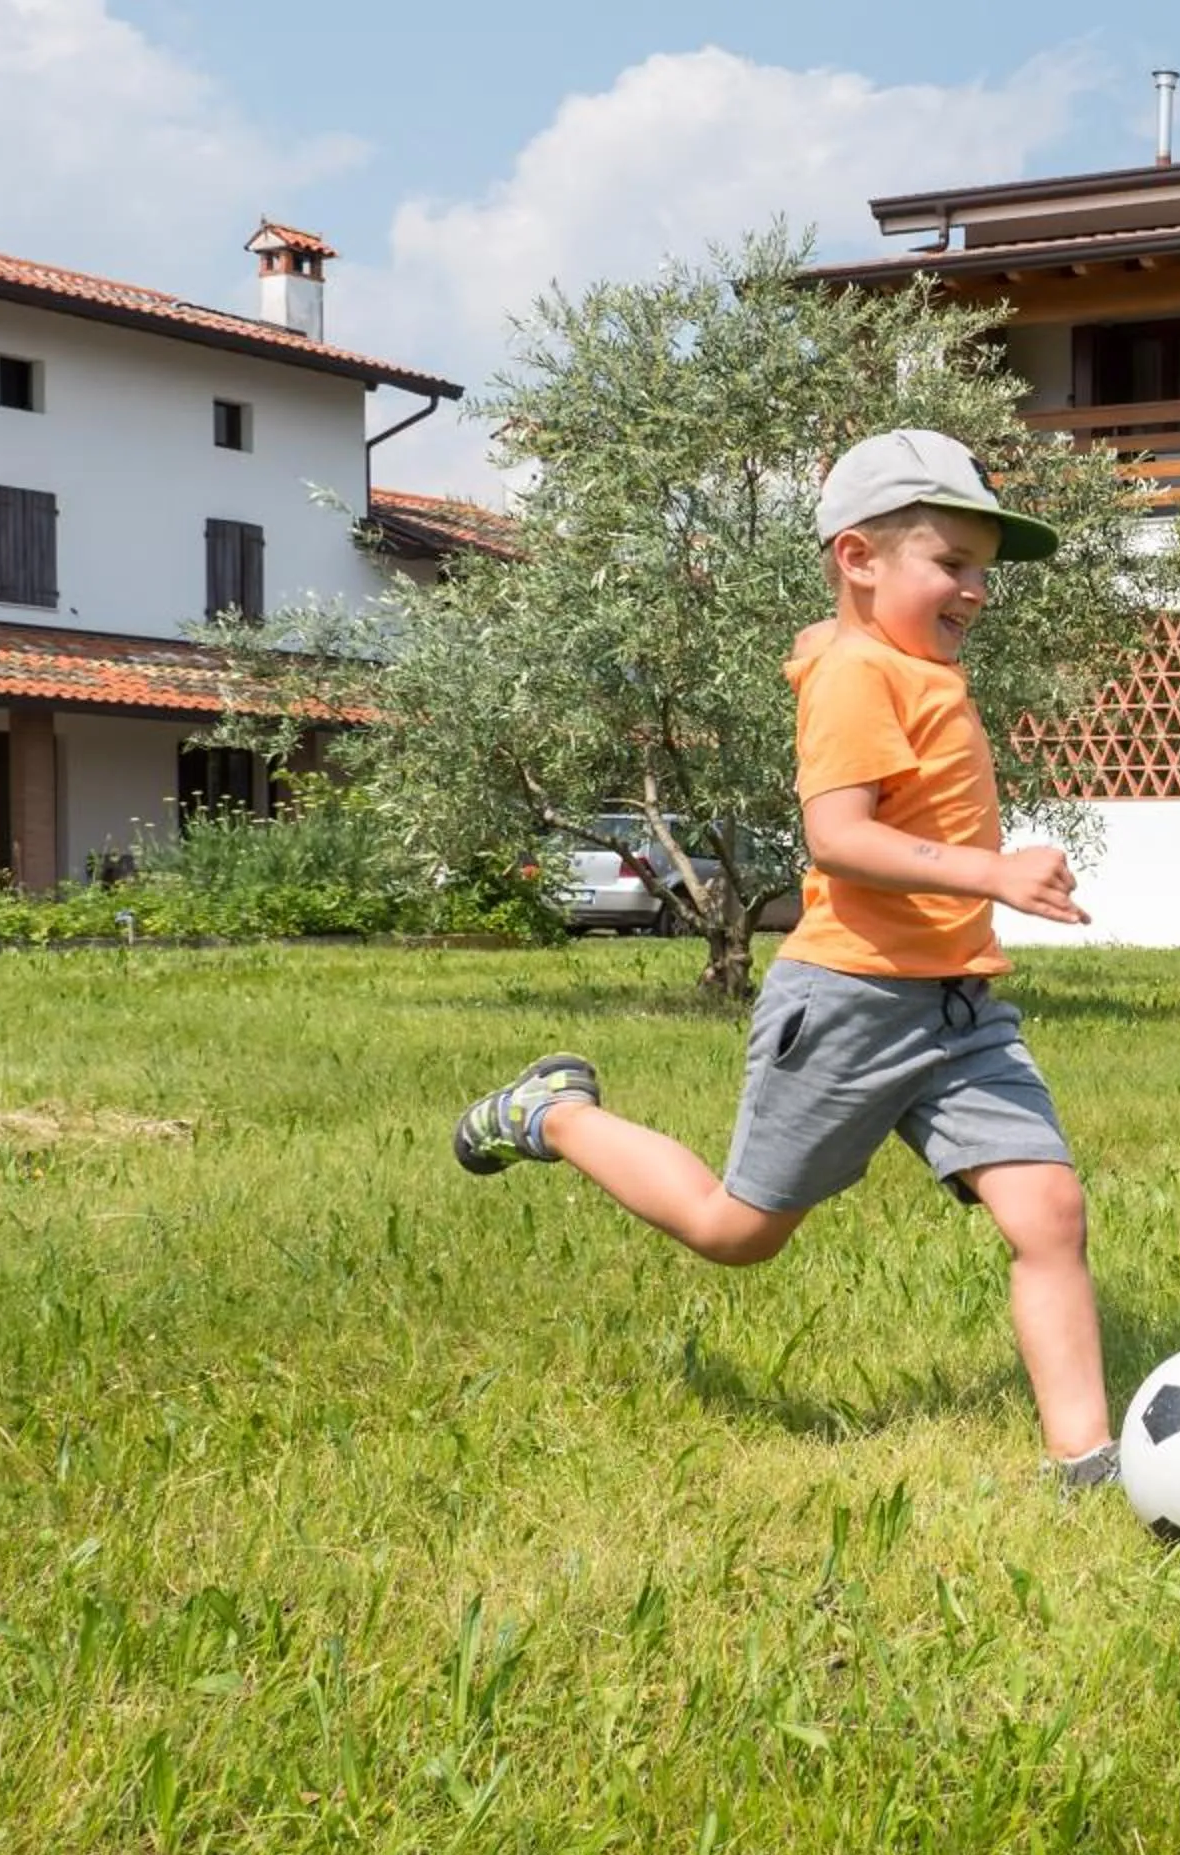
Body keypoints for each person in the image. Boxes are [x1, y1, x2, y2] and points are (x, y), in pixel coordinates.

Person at [448, 430, 1119, 1491]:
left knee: (1049, 1212)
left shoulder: (903, 661)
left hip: (959, 1008)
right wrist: (991, 874)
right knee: (736, 1230)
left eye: (983, 567)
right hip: (849, 1000)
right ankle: (554, 1112)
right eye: (952, 561)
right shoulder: (857, 675)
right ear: (859, 558)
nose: (977, 589)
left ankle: (1085, 1462)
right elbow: (838, 839)